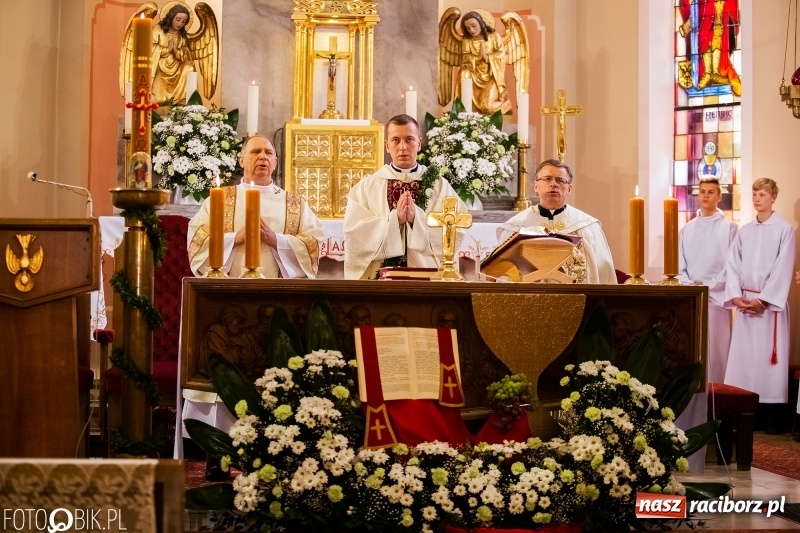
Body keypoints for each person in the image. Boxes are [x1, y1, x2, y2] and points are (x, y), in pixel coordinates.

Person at [343, 114, 468, 280]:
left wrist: (417, 219)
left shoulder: (440, 186)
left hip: (429, 279)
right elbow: (354, 233)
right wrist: (395, 219)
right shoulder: (368, 187)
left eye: (409, 139)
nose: (402, 147)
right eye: (395, 140)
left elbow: (456, 230)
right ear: (387, 145)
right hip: (380, 280)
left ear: (419, 143)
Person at [187, 135, 324, 279]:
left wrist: (276, 240)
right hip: (229, 291)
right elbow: (197, 240)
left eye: (268, 153)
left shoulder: (295, 203)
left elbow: (313, 242)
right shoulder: (218, 199)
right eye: (256, 151)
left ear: (275, 163)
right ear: (241, 160)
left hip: (279, 294)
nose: (263, 156)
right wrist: (235, 239)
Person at [723, 178, 795, 434]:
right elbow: (732, 265)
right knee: (745, 360)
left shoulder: (784, 229)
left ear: (774, 197)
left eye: (762, 194)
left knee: (768, 362)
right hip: (745, 302)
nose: (757, 198)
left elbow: (783, 268)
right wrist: (736, 296)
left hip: (768, 306)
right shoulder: (745, 231)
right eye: (754, 194)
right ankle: (743, 414)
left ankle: (770, 418)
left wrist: (762, 300)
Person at [496, 159, 616, 284]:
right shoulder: (515, 227)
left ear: (569, 189)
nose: (553, 184)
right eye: (547, 179)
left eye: (560, 180)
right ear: (536, 186)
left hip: (578, 301)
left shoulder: (587, 226)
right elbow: (504, 275)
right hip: (528, 301)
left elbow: (604, 271)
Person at [678, 177, 738, 383]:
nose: (705, 195)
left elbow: (732, 264)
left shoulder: (729, 228)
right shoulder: (687, 229)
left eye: (711, 192)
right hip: (692, 298)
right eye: (702, 191)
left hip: (716, 299)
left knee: (717, 351)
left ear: (719, 197)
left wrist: (708, 287)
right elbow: (680, 263)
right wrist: (689, 285)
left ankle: (720, 397)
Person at [678, 0, 741, 96]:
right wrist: (686, 26)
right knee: (706, 43)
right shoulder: (702, 4)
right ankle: (707, 73)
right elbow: (695, 12)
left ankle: (715, 73)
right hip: (706, 22)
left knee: (717, 41)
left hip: (719, 18)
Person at [458, 10, 511, 115]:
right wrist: (477, 58)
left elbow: (501, 55)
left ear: (481, 23)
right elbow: (465, 58)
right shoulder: (467, 40)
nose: (472, 30)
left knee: (487, 108)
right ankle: (465, 113)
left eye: (474, 26)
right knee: (464, 73)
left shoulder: (494, 36)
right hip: (474, 75)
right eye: (468, 28)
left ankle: (506, 105)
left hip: (492, 76)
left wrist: (487, 57)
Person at [151, 4, 195, 104]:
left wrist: (176, 52)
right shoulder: (158, 29)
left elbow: (186, 53)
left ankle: (182, 101)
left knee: (188, 67)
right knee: (159, 99)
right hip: (160, 65)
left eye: (183, 22)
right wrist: (167, 49)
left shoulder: (182, 35)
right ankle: (161, 100)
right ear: (171, 17)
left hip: (177, 66)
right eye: (178, 19)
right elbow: (150, 49)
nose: (180, 24)